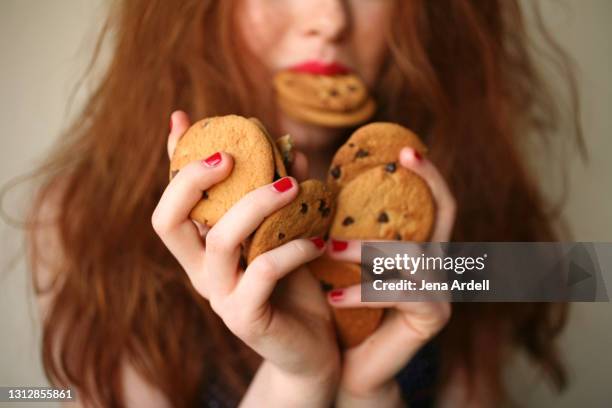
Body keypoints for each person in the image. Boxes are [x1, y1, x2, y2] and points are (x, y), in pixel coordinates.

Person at [22, 0, 581, 406]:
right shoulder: (76, 224)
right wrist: (299, 380)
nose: (329, 18)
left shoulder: (463, 208)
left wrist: (367, 391)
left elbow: (582, 274)